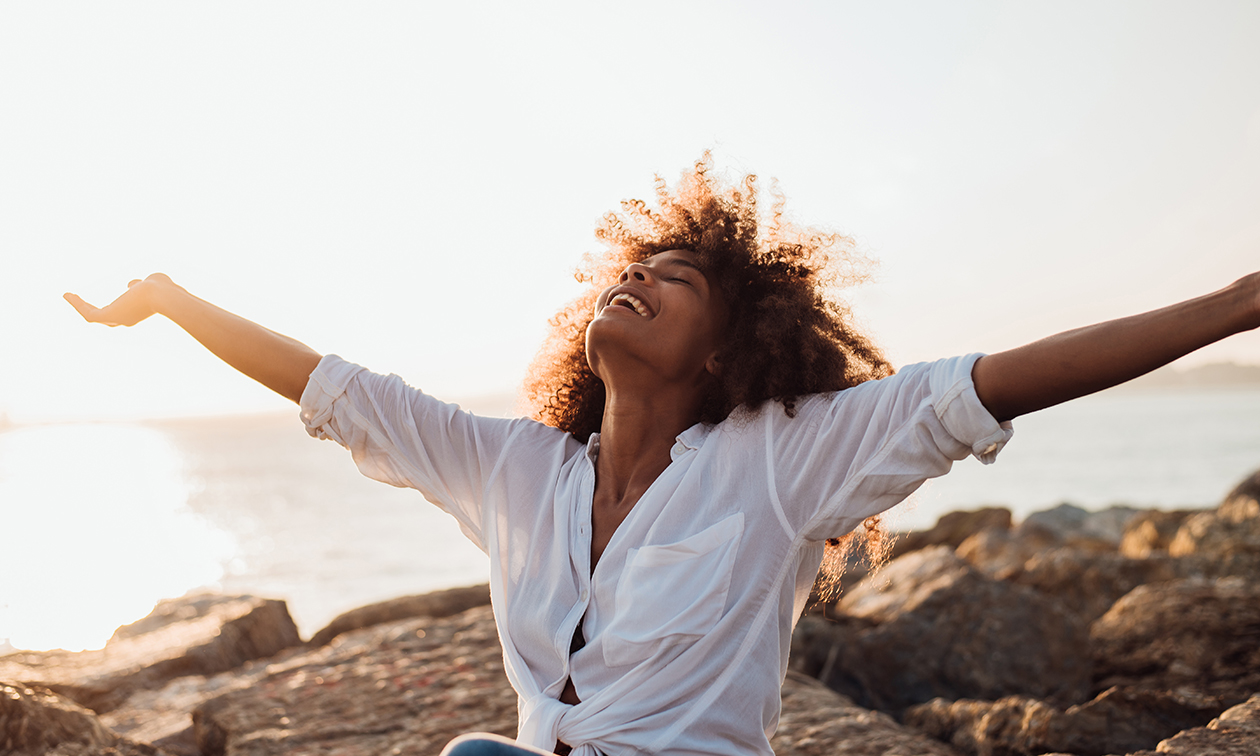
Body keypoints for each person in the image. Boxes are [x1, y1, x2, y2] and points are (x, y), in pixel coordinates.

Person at [66, 156, 1260, 756]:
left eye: (672, 280)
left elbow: (1004, 379)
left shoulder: (788, 459)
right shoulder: (514, 470)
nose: (633, 280)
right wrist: (171, 301)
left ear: (730, 345)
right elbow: (331, 387)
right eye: (629, 271)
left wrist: (1235, 304)